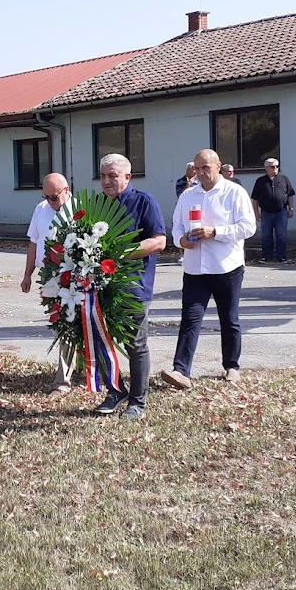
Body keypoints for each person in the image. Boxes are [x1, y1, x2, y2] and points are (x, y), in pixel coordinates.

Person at [161, 149, 257, 390]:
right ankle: (180, 370)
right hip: (195, 268)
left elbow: (248, 227)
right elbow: (177, 226)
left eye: (206, 167)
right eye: (197, 168)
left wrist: (215, 233)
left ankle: (232, 366)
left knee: (229, 318)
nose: (201, 173)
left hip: (227, 266)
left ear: (218, 166)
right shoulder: (187, 195)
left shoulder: (234, 192)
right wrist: (182, 242)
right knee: (190, 319)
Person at [94, 155, 167, 420]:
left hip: (134, 287)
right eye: (103, 175)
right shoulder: (98, 205)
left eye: (113, 175)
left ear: (127, 177)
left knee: (135, 344)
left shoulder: (144, 202)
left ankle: (138, 402)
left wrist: (120, 252)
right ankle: (115, 391)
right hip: (100, 288)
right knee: (100, 340)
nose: (107, 181)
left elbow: (159, 241)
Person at [21, 173, 77, 395]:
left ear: (66, 190)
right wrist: (27, 274)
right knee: (62, 326)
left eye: (55, 197)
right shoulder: (41, 209)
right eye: (47, 197)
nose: (51, 202)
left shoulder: (79, 210)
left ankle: (70, 378)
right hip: (49, 275)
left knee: (76, 325)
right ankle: (64, 379)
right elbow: (34, 243)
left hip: (74, 276)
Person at [250, 158, 295, 262]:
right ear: (266, 168)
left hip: (281, 212)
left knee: (281, 236)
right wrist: (256, 213)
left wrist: (291, 208)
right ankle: (266, 257)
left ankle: (281, 257)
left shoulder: (284, 179)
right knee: (266, 236)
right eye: (273, 166)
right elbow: (255, 199)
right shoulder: (260, 181)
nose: (276, 168)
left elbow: (290, 195)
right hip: (266, 213)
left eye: (277, 166)